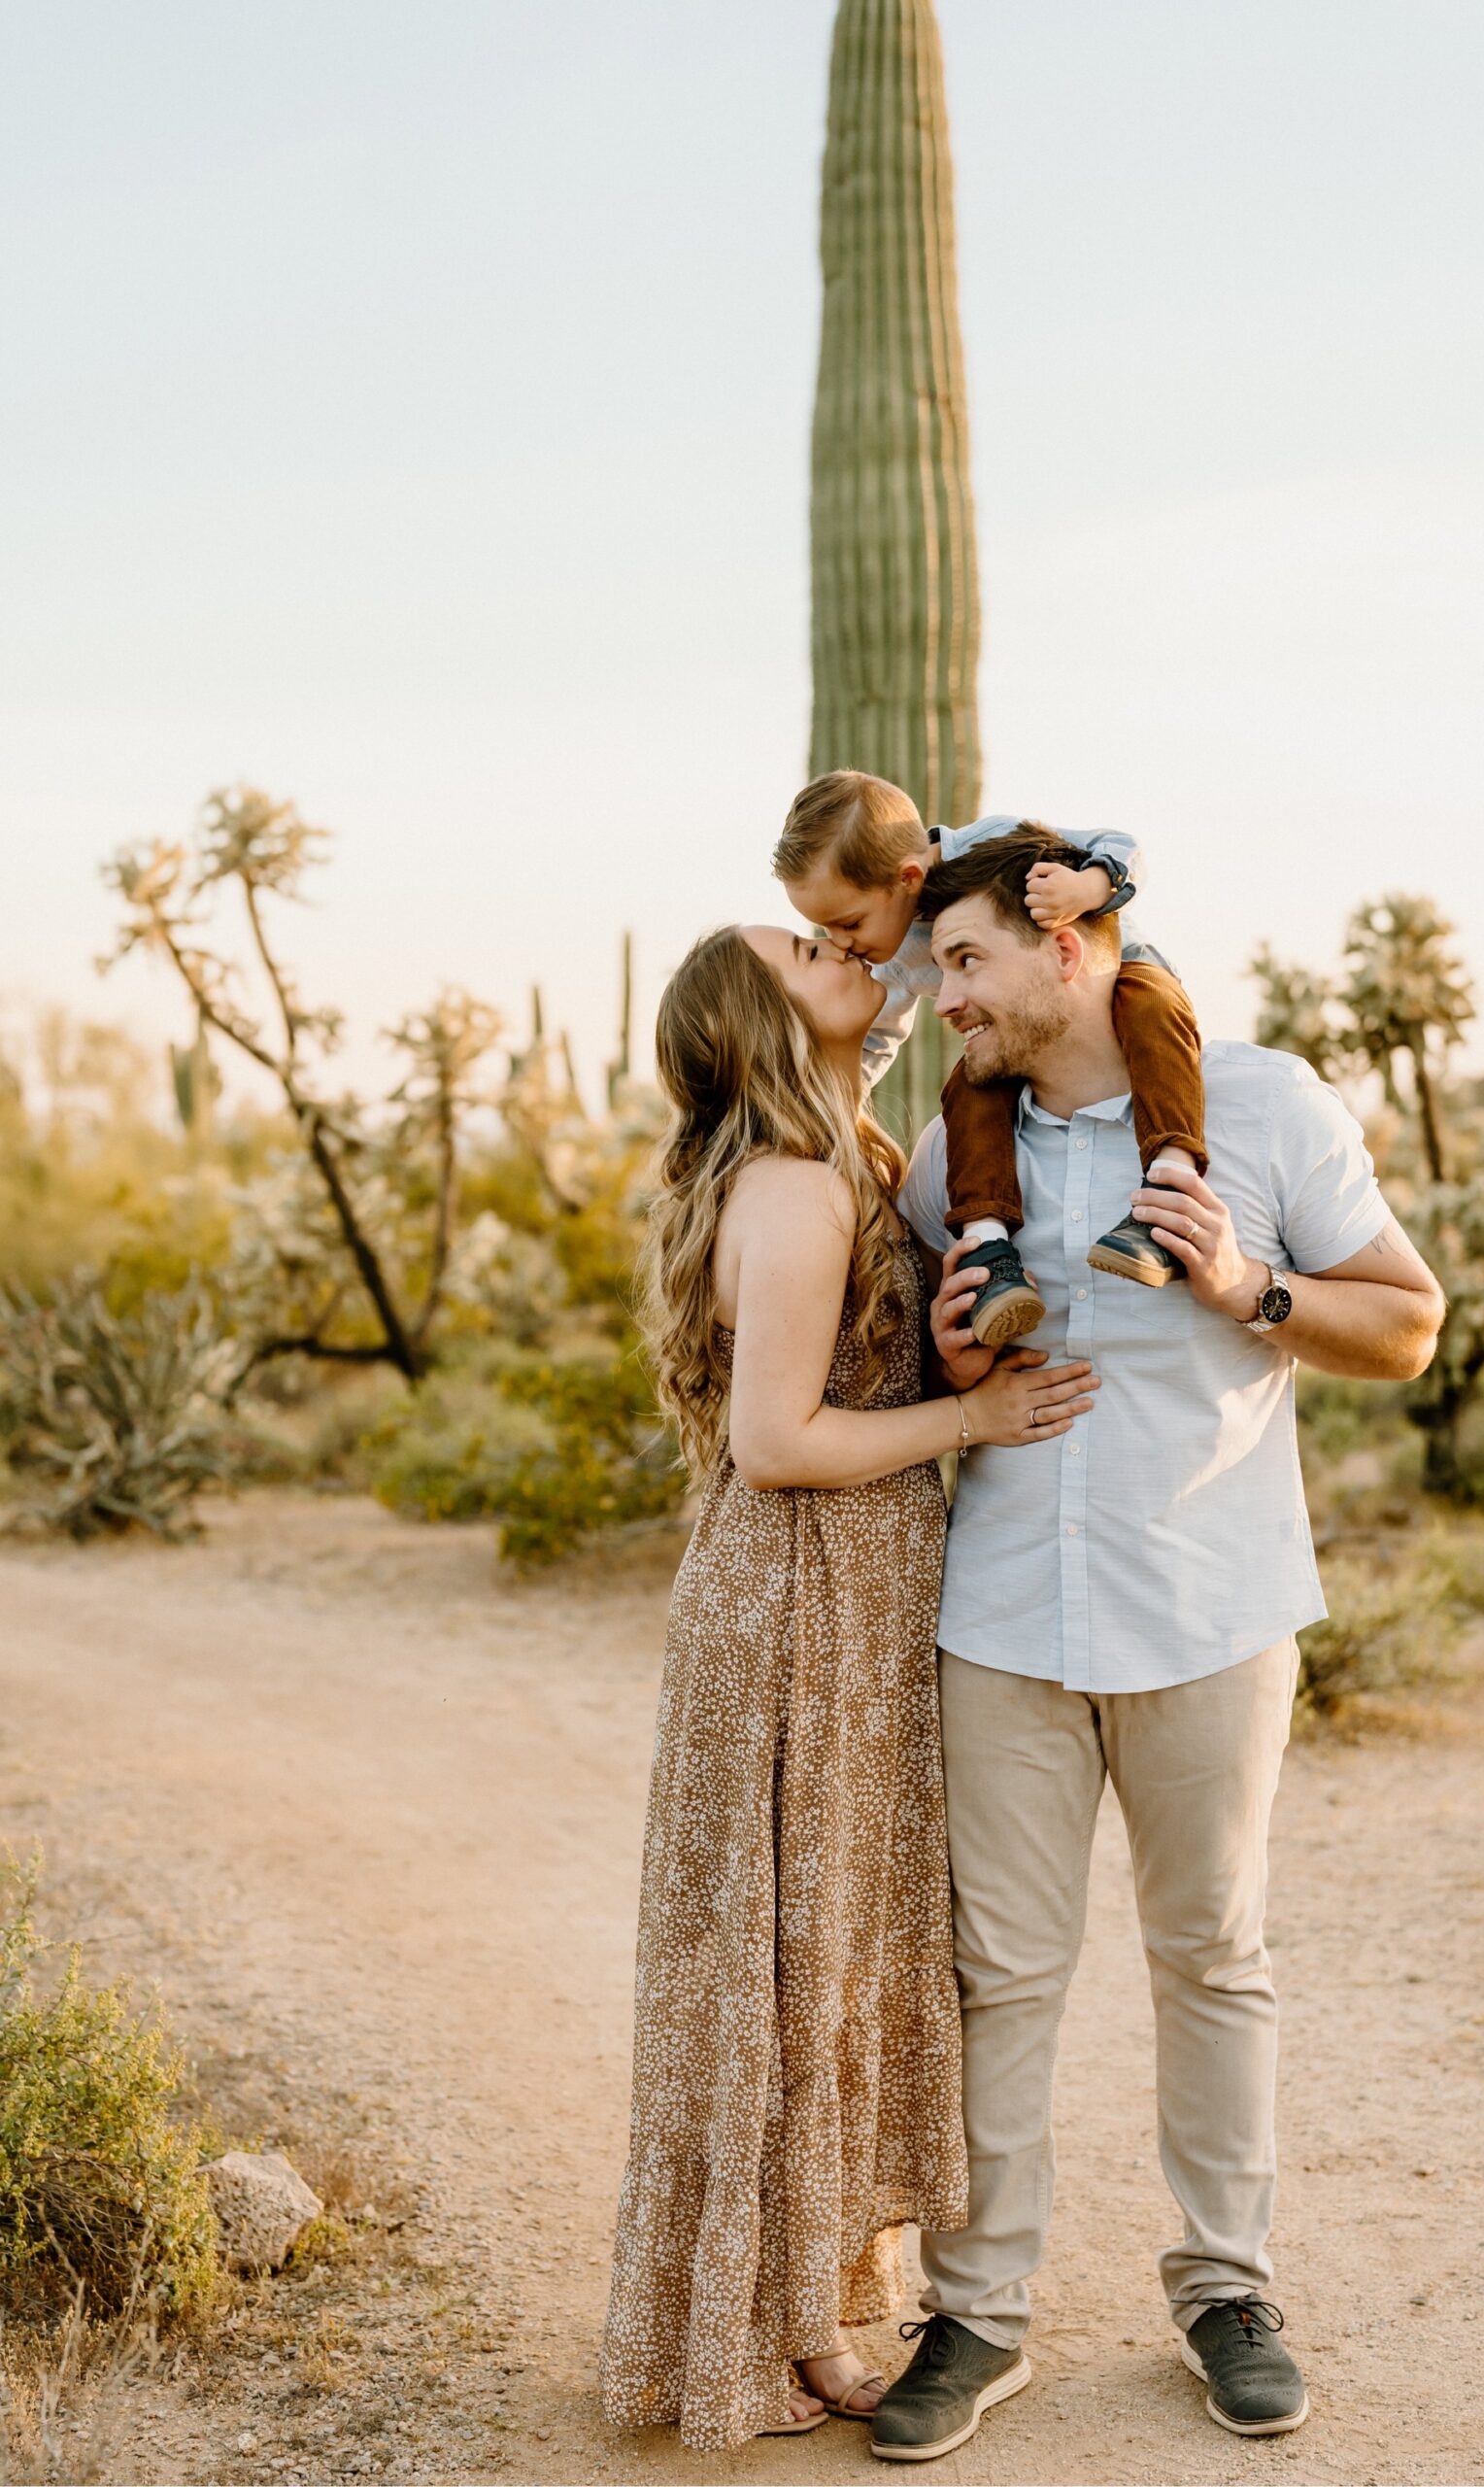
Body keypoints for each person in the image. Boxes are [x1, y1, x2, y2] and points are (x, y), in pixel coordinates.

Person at [868, 827, 1444, 2463]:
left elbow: (1406, 1323)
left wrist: (1250, 1289)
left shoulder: (1258, 1105)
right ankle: (976, 2315)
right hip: (1002, 1622)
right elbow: (911, 1371)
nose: (942, 997)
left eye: (963, 962)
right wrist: (947, 1353)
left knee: (1211, 1957)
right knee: (1003, 1979)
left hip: (1208, 1611)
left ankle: (1225, 2290)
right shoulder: (946, 1158)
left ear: (1067, 945)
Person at [598, 920, 1098, 2453]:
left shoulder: (852, 1152)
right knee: (790, 1962)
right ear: (757, 1015)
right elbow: (777, 1444)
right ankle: (795, 2330)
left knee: (822, 1951)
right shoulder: (800, 1188)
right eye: (808, 948)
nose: (849, 949)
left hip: (853, 1600)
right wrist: (978, 1424)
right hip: (803, 1598)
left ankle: (795, 2297)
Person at [773, 769, 1208, 1346]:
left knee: (1152, 1012)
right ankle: (989, 1247)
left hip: (1123, 968)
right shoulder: (895, 949)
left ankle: (1170, 1186)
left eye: (847, 922)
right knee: (967, 1089)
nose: (841, 943)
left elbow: (1120, 844)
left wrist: (1089, 888)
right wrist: (824, 1117)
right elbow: (876, 1041)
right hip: (1012, 1036)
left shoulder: (990, 843)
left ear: (907, 878)